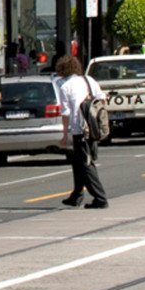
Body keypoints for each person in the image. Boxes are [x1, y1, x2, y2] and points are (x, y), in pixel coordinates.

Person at [55, 56, 108, 209]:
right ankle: (76, 195)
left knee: (86, 164)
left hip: (80, 129)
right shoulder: (88, 80)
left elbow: (65, 113)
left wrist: (65, 134)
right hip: (93, 127)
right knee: (78, 162)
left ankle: (100, 198)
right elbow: (101, 100)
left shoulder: (66, 87)